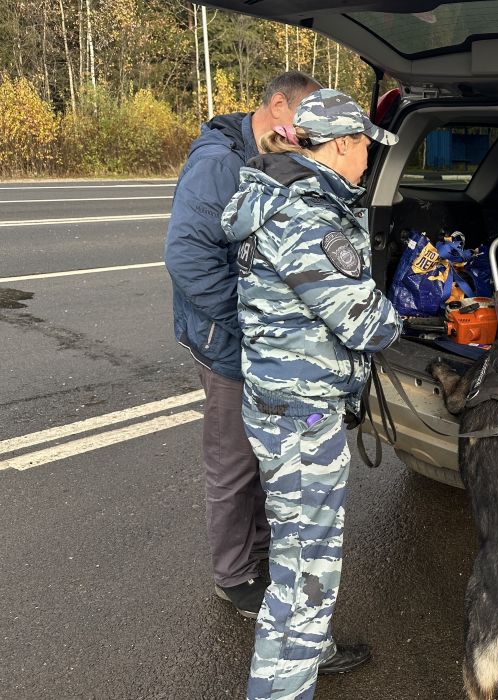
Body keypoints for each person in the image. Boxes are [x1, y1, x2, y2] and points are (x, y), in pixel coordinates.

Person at [221, 89, 402, 699]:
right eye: (365, 148)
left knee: (300, 548)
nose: (369, 159)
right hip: (300, 415)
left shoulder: (281, 195)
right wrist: (408, 313)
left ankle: (311, 649)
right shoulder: (306, 215)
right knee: (303, 572)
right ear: (343, 143)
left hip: (282, 401)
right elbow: (365, 323)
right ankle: (280, 687)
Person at [164, 71, 321, 618]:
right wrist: (253, 321)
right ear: (278, 105)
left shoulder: (267, 153)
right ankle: (233, 577)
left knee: (259, 457)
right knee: (233, 464)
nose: (309, 133)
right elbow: (188, 259)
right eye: (304, 119)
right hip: (229, 344)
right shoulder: (219, 163)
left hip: (258, 342)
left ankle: (256, 555)